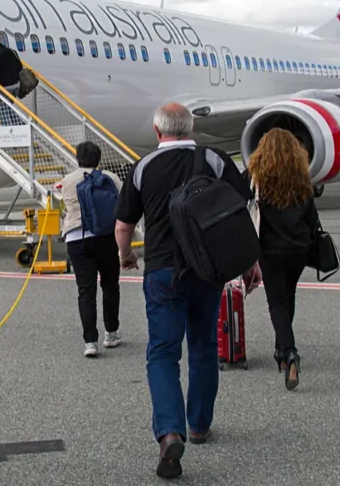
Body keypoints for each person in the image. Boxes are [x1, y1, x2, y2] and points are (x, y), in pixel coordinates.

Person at [113, 102, 255, 479]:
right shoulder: (214, 160)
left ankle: (170, 432)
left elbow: (124, 225)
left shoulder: (143, 167)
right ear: (190, 129)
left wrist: (125, 256)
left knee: (162, 353)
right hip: (208, 269)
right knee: (204, 346)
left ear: (158, 132)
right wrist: (249, 260)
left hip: (162, 272)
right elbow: (241, 210)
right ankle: (199, 425)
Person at [247, 127, 321, 390]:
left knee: (276, 301)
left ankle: (289, 352)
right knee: (289, 296)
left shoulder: (257, 180)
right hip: (299, 248)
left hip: (270, 249)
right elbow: (312, 218)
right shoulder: (303, 180)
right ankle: (281, 350)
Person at [56, 141, 123, 357]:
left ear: (77, 158)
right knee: (110, 285)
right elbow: (121, 204)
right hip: (106, 236)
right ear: (98, 158)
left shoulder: (67, 181)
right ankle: (111, 333)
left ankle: (90, 342)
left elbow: (65, 205)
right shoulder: (110, 178)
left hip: (77, 238)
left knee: (86, 290)